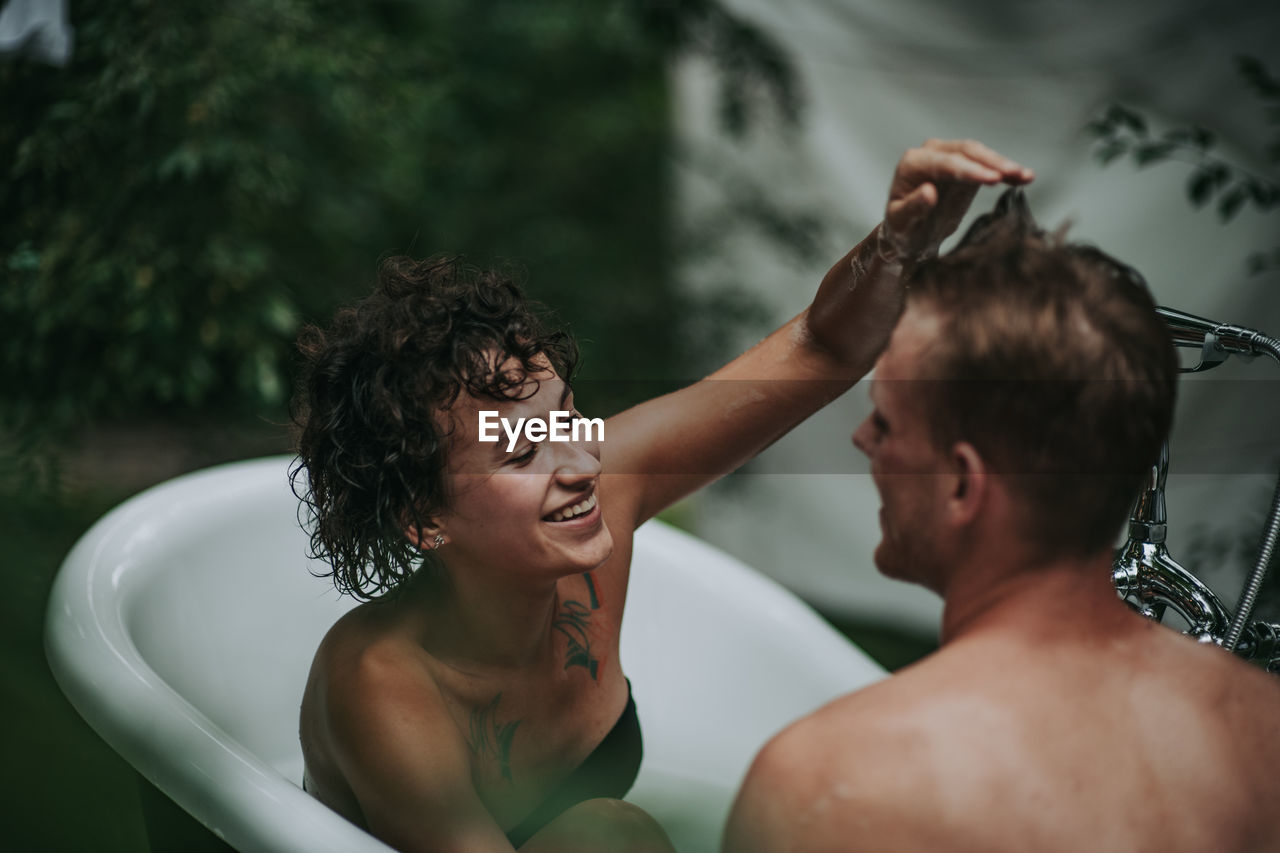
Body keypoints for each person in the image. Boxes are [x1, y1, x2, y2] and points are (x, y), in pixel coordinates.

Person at [290, 140, 1033, 853]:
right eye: (521, 452)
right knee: (614, 833)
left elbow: (822, 350)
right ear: (421, 518)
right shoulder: (382, 684)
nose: (578, 463)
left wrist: (898, 244)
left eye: (567, 417)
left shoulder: (598, 489)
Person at [723, 189, 1280, 853]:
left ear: (963, 482)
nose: (863, 439)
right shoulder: (1260, 727)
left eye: (888, 420)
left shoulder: (835, 782)